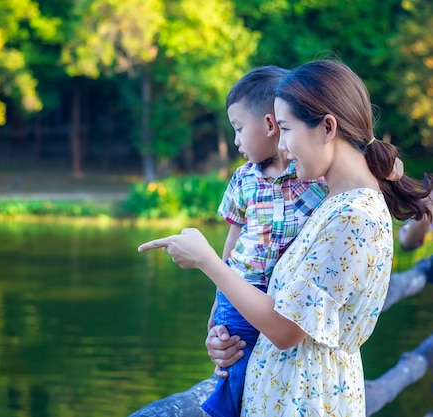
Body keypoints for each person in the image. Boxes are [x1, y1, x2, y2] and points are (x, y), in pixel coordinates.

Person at [138, 60, 433, 416]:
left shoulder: (351, 218)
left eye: (288, 129)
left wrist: (207, 260)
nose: (284, 147)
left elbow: (285, 330)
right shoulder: (336, 204)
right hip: (288, 396)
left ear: (327, 128)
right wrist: (226, 334)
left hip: (303, 402)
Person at [201, 65, 329, 417]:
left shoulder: (313, 177)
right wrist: (219, 294)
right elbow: (234, 235)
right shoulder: (244, 179)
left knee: (277, 368)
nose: (236, 141)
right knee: (236, 360)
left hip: (285, 298)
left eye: (239, 129)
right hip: (243, 288)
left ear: (271, 125)